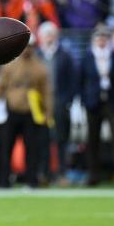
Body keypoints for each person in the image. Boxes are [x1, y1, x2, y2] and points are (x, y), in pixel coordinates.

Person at [0, 41, 51, 188]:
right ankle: (3, 180)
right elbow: (0, 88)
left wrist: (48, 111)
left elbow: (46, 92)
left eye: (29, 46)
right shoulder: (10, 66)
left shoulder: (40, 68)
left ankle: (31, 180)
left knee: (32, 148)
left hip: (32, 112)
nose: (27, 49)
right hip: (12, 110)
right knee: (6, 147)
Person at [81, 26, 114, 185]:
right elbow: (80, 81)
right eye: (99, 37)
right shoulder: (88, 57)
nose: (101, 40)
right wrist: (85, 99)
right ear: (94, 40)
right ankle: (93, 176)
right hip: (93, 103)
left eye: (104, 37)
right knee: (92, 141)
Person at [36, 21, 77, 182]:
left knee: (61, 139)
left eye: (51, 35)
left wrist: (67, 100)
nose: (49, 38)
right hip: (40, 103)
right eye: (46, 35)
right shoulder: (37, 55)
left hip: (59, 101)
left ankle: (62, 173)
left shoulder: (65, 56)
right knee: (42, 139)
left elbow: (72, 80)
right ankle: (44, 173)